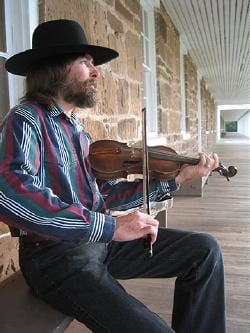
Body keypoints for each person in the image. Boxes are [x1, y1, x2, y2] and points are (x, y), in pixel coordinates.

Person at [0, 19, 226, 333]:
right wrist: (109, 226)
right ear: (54, 69)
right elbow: (9, 193)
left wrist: (176, 179)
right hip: (54, 256)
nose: (96, 72)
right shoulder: (26, 119)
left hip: (99, 243)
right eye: (84, 63)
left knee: (204, 251)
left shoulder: (79, 132)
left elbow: (102, 196)